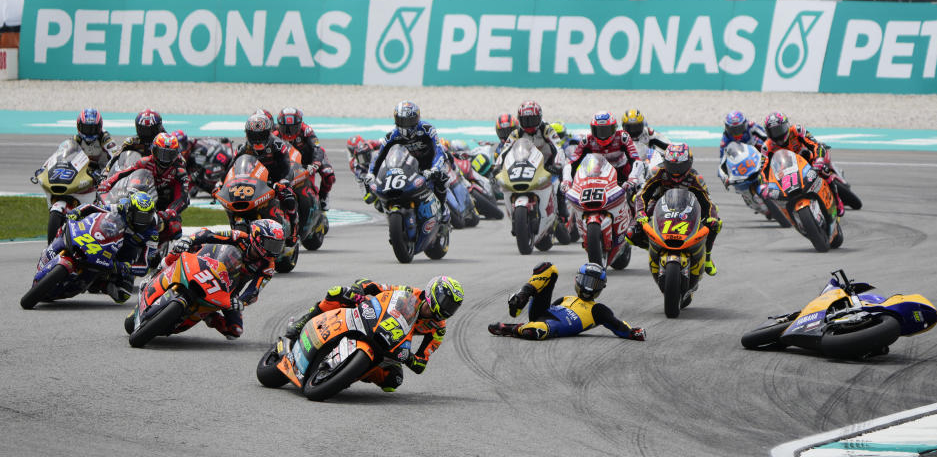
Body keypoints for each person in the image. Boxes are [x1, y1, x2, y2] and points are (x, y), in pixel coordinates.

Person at [284, 275, 465, 392]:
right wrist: (359, 289)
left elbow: (421, 364)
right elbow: (375, 286)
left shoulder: (438, 328)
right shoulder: (409, 293)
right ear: (434, 293)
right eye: (445, 301)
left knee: (393, 381)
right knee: (339, 292)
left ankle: (350, 371)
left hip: (393, 343)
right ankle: (303, 322)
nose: (447, 308)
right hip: (373, 319)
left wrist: (408, 357)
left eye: (452, 307)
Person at [165, 218, 283, 339]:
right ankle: (160, 269)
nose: (273, 251)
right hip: (205, 264)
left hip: (228, 290)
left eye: (278, 246)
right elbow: (208, 234)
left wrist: (241, 302)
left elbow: (254, 290)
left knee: (235, 331)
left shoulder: (268, 266)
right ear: (257, 237)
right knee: (183, 248)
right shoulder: (239, 237)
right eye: (271, 244)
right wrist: (189, 240)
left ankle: (208, 315)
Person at [488, 262, 646, 341]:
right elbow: (547, 308)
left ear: (600, 288)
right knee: (549, 268)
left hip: (553, 326)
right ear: (577, 280)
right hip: (543, 314)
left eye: (594, 284)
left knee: (537, 330)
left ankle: (509, 328)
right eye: (585, 281)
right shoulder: (565, 298)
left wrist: (633, 332)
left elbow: (617, 325)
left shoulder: (598, 309)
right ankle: (521, 298)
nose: (588, 288)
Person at [635, 143, 721, 275]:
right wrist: (640, 212)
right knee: (631, 233)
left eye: (680, 166)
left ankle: (707, 257)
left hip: (689, 208)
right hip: (660, 204)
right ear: (665, 163)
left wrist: (712, 217)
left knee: (716, 223)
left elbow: (708, 201)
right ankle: (656, 248)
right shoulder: (657, 171)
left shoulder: (695, 177)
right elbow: (642, 193)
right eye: (672, 166)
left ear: (689, 163)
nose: (676, 171)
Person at [65, 190, 160, 303]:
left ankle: (101, 282)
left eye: (146, 217)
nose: (142, 221)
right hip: (103, 240)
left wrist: (125, 267)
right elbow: (92, 207)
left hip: (121, 258)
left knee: (122, 295)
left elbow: (145, 266)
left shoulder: (152, 234)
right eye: (139, 216)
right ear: (130, 211)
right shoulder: (121, 207)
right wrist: (77, 212)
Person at [99, 132, 191, 245]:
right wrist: (108, 183)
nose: (164, 159)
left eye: (168, 155)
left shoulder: (179, 171)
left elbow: (183, 197)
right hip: (146, 197)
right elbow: (125, 172)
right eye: (161, 153)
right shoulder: (146, 161)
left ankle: (157, 250)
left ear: (175, 155)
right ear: (154, 150)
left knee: (174, 228)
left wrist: (170, 211)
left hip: (165, 204)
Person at [365, 101, 450, 221]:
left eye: (409, 121)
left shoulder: (427, 129)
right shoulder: (391, 136)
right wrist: (371, 173)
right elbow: (378, 157)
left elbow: (439, 150)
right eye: (401, 121)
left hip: (430, 164)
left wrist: (435, 168)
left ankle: (442, 207)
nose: (405, 125)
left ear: (417, 119)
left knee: (442, 177)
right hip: (408, 167)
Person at [224, 111, 300, 237]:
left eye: (261, 135)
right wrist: (221, 183)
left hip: (276, 180)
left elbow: (287, 167)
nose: (257, 140)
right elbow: (231, 168)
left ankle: (294, 227)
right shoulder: (242, 148)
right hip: (252, 182)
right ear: (247, 134)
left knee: (288, 197)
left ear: (268, 133)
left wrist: (283, 181)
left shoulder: (278, 145)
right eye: (254, 136)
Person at [758, 112, 845, 215]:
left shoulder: (797, 130)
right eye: (773, 132)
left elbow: (815, 145)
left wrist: (819, 160)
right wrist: (763, 185)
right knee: (777, 194)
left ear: (786, 126)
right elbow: (762, 169)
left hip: (806, 159)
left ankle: (837, 200)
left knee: (825, 171)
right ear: (768, 133)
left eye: (779, 130)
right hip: (786, 169)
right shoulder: (766, 147)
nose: (777, 135)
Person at [275, 106, 336, 224]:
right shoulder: (275, 135)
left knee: (328, 174)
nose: (288, 132)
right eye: (285, 128)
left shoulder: (306, 131)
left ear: (299, 125)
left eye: (292, 128)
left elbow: (317, 148)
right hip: (289, 164)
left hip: (308, 162)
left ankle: (323, 196)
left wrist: (316, 163)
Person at [562, 111, 642, 192]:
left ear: (614, 128)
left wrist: (632, 178)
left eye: (606, 130)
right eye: (598, 131)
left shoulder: (623, 137)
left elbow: (636, 160)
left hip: (624, 171)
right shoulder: (587, 140)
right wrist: (566, 181)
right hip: (601, 172)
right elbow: (571, 163)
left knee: (637, 192)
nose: (602, 135)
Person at [73, 108, 120, 177]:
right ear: (79, 126)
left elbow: (115, 155)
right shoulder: (77, 139)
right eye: (86, 128)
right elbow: (65, 155)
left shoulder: (105, 138)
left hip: (102, 173)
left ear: (100, 127)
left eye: (93, 129)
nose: (89, 132)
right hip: (83, 174)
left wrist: (106, 171)